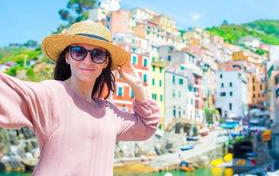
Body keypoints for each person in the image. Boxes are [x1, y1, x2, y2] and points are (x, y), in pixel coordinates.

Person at [0, 21, 160, 175]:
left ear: (105, 63)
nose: (88, 60)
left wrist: (137, 85)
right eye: (78, 51)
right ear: (67, 57)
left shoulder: (108, 112)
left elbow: (147, 126)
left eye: (98, 54)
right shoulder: (51, 94)